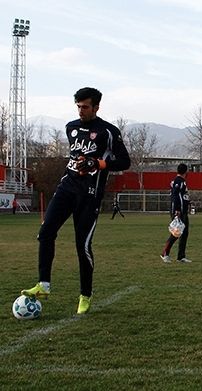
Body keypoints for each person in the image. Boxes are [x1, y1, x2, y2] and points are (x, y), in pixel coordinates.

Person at [20, 87, 131, 315]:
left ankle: (85, 295)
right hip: (67, 187)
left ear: (96, 107)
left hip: (89, 195)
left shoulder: (108, 131)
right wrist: (81, 163)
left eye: (85, 107)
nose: (81, 110)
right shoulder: (70, 127)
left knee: (82, 246)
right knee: (45, 232)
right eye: (78, 106)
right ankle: (44, 285)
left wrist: (97, 163)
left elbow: (124, 162)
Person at [161, 163, 192, 263]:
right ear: (185, 171)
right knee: (176, 232)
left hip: (183, 211)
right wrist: (177, 210)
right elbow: (175, 196)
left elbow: (183, 196)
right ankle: (164, 253)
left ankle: (181, 256)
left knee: (184, 232)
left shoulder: (182, 181)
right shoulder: (178, 181)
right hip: (178, 211)